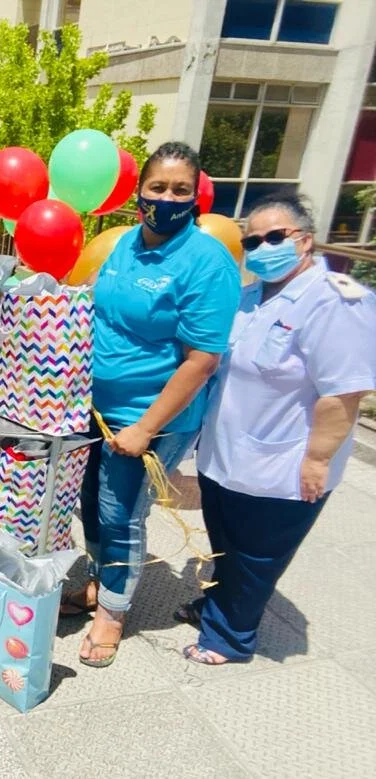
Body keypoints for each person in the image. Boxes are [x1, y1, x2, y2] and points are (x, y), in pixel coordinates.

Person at [62, 142, 242, 668]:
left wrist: (145, 427)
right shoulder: (126, 245)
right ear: (139, 192)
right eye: (157, 187)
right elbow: (97, 301)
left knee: (121, 512)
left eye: (180, 190)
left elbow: (201, 361)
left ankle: (113, 612)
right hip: (94, 408)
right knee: (91, 502)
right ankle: (100, 582)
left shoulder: (206, 261)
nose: (167, 198)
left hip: (152, 415)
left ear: (196, 198)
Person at [183, 192, 376, 665]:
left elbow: (343, 392)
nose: (261, 248)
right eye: (251, 241)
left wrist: (318, 459)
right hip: (226, 455)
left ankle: (229, 638)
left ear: (305, 240)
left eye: (274, 237)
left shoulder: (334, 301)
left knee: (256, 556)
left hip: (282, 465)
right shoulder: (250, 297)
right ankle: (218, 608)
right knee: (226, 546)